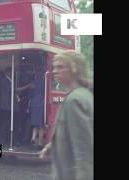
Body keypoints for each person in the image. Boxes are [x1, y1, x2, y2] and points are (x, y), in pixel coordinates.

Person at [40, 50, 93, 180]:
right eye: (54, 67)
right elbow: (73, 132)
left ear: (74, 69)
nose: (54, 71)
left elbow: (84, 152)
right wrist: (52, 145)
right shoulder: (83, 94)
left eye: (60, 67)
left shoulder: (75, 100)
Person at [0, 67, 32, 146]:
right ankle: (3, 142)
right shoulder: (5, 81)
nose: (13, 74)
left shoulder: (9, 80)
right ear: (8, 72)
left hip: (11, 106)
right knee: (6, 124)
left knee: (11, 124)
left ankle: (11, 141)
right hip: (7, 106)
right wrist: (27, 86)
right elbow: (14, 90)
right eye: (12, 72)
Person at [28, 68, 46, 150]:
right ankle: (40, 143)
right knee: (41, 125)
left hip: (34, 104)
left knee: (35, 124)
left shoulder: (33, 83)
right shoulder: (44, 82)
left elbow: (30, 95)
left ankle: (33, 138)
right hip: (41, 104)